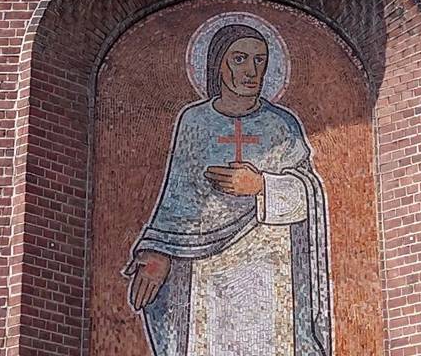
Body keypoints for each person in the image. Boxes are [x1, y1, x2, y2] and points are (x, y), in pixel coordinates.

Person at [124, 19, 332, 356]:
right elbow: (177, 200)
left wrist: (262, 185)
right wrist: (158, 252)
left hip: (269, 270)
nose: (251, 70)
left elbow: (310, 194)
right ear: (219, 65)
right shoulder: (194, 122)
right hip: (203, 270)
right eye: (239, 59)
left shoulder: (282, 125)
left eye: (259, 60)